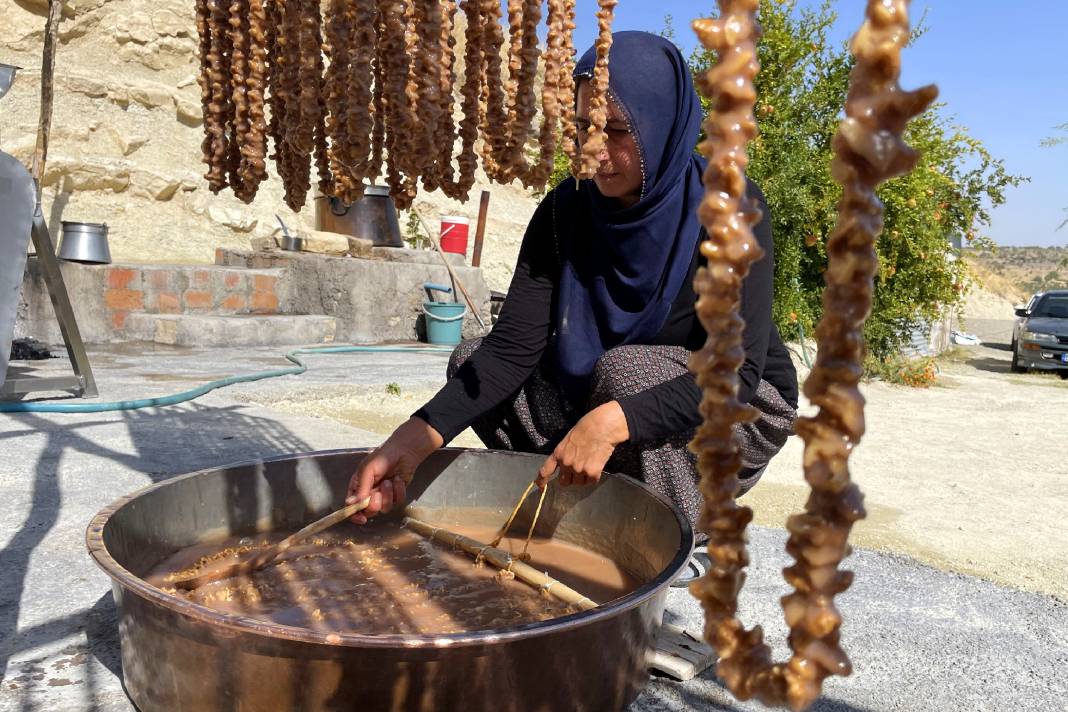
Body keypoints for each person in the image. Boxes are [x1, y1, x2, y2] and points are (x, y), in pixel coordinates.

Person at [347, 31, 798, 534]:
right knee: (470, 360)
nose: (593, 149)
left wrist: (611, 423)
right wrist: (414, 436)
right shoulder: (565, 211)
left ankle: (664, 536)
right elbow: (512, 348)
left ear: (661, 124)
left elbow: (739, 373)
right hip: (611, 386)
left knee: (625, 376)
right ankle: (564, 515)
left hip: (736, 408)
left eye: (617, 131)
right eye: (583, 126)